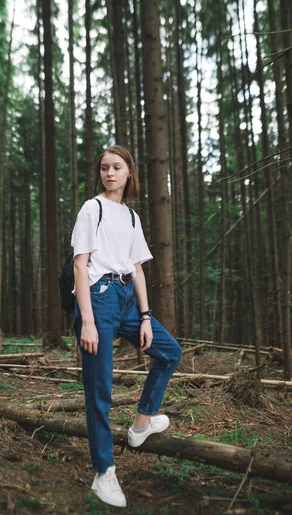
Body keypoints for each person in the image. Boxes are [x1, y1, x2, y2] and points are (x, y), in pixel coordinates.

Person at [71, 145, 182, 508]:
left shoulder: (131, 217)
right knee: (100, 390)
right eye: (104, 168)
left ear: (129, 172)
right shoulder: (93, 208)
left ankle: (140, 426)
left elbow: (137, 269)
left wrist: (146, 316)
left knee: (168, 353)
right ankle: (104, 472)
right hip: (98, 299)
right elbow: (80, 264)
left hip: (127, 301)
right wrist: (87, 320)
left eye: (116, 167)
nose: (110, 173)